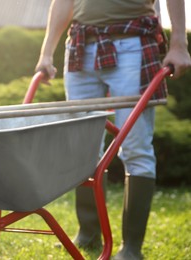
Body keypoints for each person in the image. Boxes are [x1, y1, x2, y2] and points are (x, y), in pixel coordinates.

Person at [35, 0, 191, 259]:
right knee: (82, 149)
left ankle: (131, 248)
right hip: (80, 45)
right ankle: (88, 233)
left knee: (135, 147)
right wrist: (46, 53)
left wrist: (179, 44)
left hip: (132, 43)